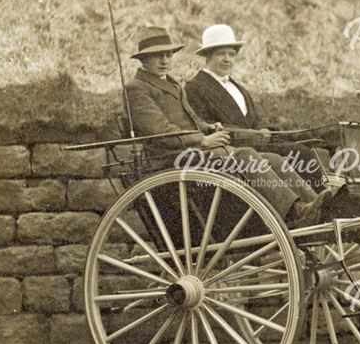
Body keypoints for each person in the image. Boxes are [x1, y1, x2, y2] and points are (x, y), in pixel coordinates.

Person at [123, 26, 333, 225]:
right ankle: (295, 211)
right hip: (173, 157)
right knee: (245, 156)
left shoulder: (171, 83)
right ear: (143, 59)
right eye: (157, 55)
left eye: (168, 55)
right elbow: (161, 131)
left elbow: (191, 119)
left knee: (274, 159)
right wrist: (203, 140)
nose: (164, 60)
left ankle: (316, 207)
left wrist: (208, 127)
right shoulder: (136, 89)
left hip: (193, 153)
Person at [185, 23, 325, 190]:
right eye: (220, 54)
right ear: (207, 56)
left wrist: (263, 129)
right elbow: (206, 125)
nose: (227, 59)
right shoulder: (195, 87)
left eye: (231, 54)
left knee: (315, 145)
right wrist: (254, 135)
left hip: (255, 141)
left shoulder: (238, 87)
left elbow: (253, 118)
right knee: (300, 155)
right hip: (234, 148)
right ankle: (311, 206)